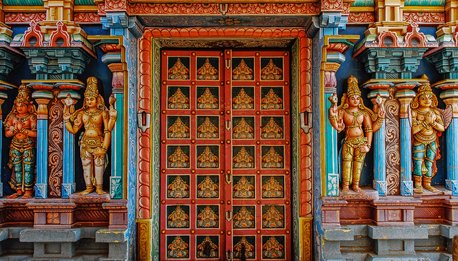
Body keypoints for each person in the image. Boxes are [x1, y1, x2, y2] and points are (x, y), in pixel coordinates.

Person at [328, 76, 384, 193]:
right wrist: (333, 108)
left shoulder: (364, 113)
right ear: (347, 99)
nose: (355, 100)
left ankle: (356, 185)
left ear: (360, 100)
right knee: (346, 163)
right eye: (352, 98)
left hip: (361, 142)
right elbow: (337, 126)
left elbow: (370, 129)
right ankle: (345, 186)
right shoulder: (343, 112)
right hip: (348, 141)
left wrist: (368, 145)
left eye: (357, 98)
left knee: (358, 164)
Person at [63, 77, 117, 195]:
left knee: (99, 166)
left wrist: (104, 148)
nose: (89, 101)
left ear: (98, 99)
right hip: (85, 142)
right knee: (86, 166)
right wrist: (66, 120)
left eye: (91, 99)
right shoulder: (82, 113)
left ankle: (99, 187)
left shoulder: (103, 113)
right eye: (87, 99)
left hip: (99, 141)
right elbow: (74, 130)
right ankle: (88, 187)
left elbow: (108, 130)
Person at [411, 82, 444, 193]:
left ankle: (427, 184)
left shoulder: (435, 112)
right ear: (417, 100)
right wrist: (425, 122)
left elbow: (442, 128)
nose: (427, 100)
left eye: (430, 98)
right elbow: (413, 130)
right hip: (419, 140)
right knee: (418, 162)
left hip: (432, 140)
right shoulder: (414, 113)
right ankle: (418, 184)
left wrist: (433, 123)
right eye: (423, 98)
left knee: (429, 162)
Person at [4, 84, 37, 199]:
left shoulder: (31, 117)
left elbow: (36, 134)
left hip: (28, 145)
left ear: (28, 106)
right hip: (15, 145)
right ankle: (18, 190)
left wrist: (23, 130)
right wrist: (13, 130)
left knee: (28, 168)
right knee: (17, 168)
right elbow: (6, 134)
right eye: (17, 105)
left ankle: (28, 191)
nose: (19, 108)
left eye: (22, 105)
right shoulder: (12, 117)